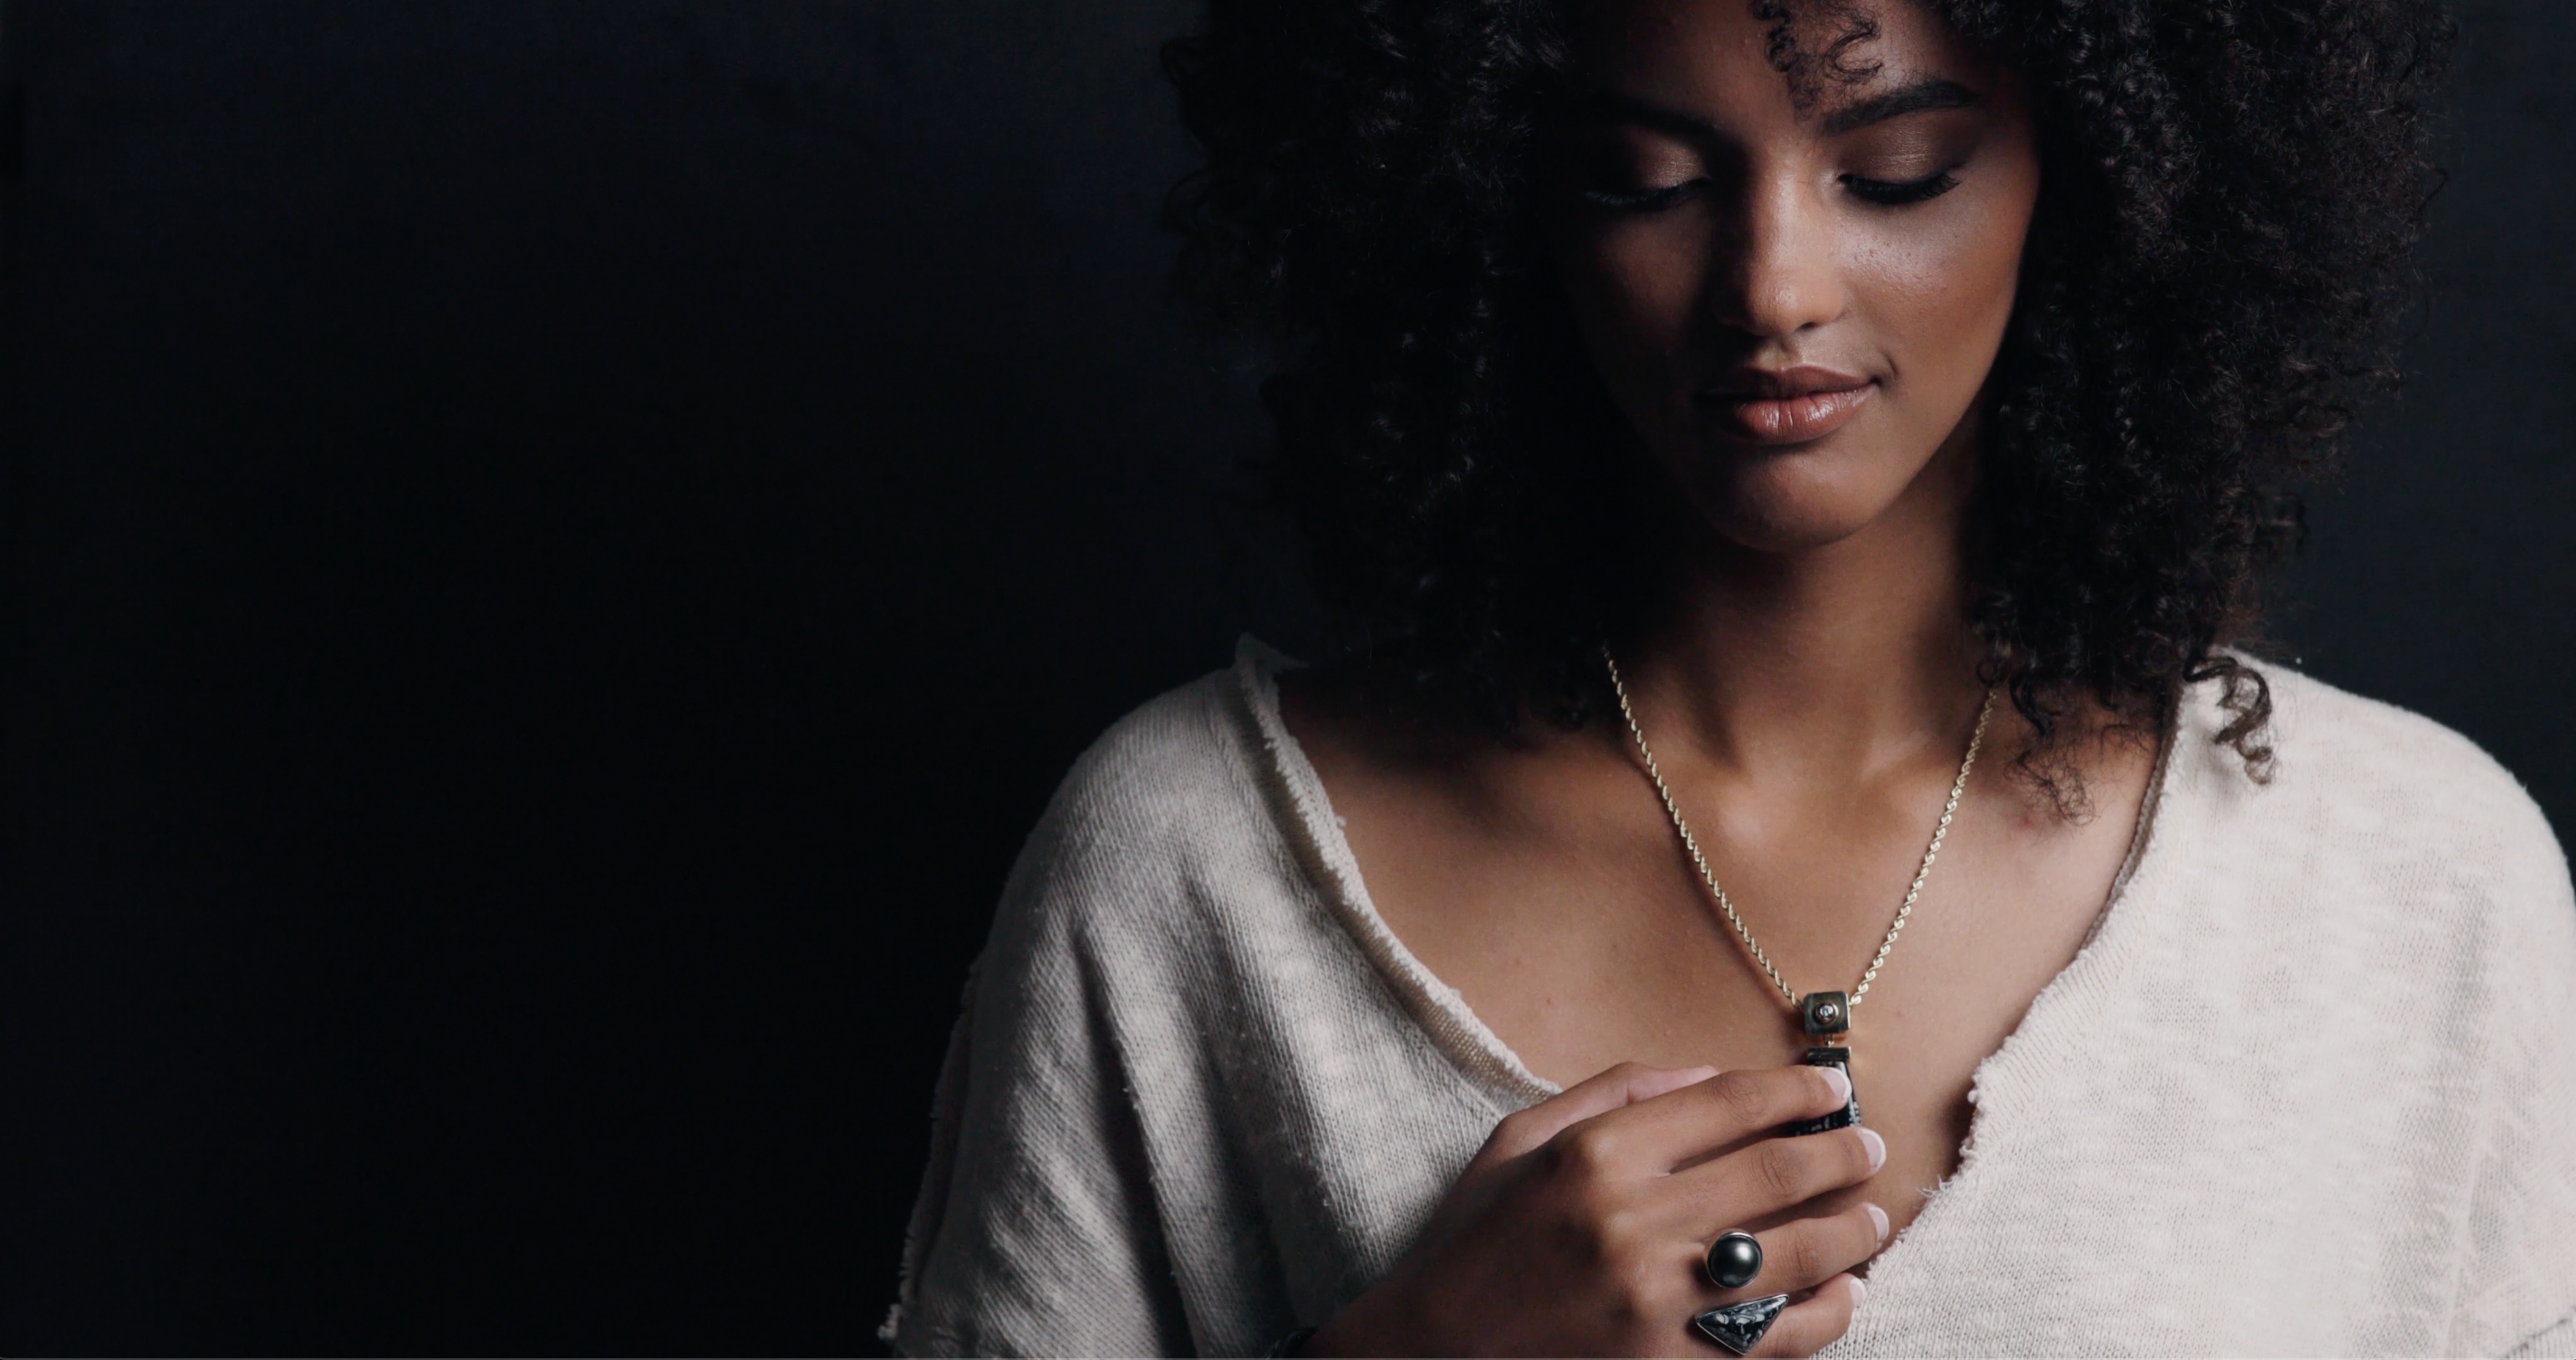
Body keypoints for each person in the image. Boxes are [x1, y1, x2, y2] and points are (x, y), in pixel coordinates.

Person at [882, 0, 2576, 1353]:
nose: (1773, 286)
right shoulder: (1190, 864)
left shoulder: (2419, 886)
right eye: (1643, 177)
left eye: (1898, 172)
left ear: (2107, 177)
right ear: (1496, 193)